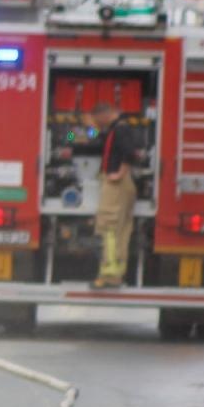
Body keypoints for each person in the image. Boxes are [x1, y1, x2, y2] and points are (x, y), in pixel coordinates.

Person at [91, 101, 139, 289]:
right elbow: (90, 137)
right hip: (117, 183)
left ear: (105, 114)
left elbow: (129, 153)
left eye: (97, 120)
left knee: (108, 226)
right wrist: (72, 133)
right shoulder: (112, 130)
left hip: (116, 184)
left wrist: (119, 173)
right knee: (120, 229)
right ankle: (115, 273)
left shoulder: (120, 130)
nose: (97, 124)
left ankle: (110, 275)